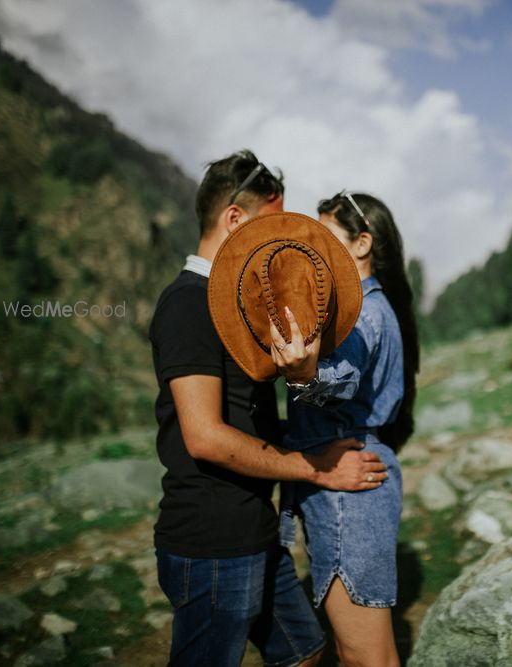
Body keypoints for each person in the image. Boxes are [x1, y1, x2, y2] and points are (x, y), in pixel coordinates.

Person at [149, 151, 388, 667]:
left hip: (254, 527)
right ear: (234, 218)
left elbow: (246, 414)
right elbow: (206, 437)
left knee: (304, 652)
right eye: (269, 222)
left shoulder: (231, 301)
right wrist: (316, 468)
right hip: (211, 537)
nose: (278, 240)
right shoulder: (188, 304)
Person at [272, 191, 420, 667]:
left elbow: (341, 381)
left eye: (325, 237)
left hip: (346, 486)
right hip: (356, 473)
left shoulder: (362, 314)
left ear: (361, 243)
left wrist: (302, 376)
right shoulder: (375, 308)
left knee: (364, 658)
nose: (313, 248)